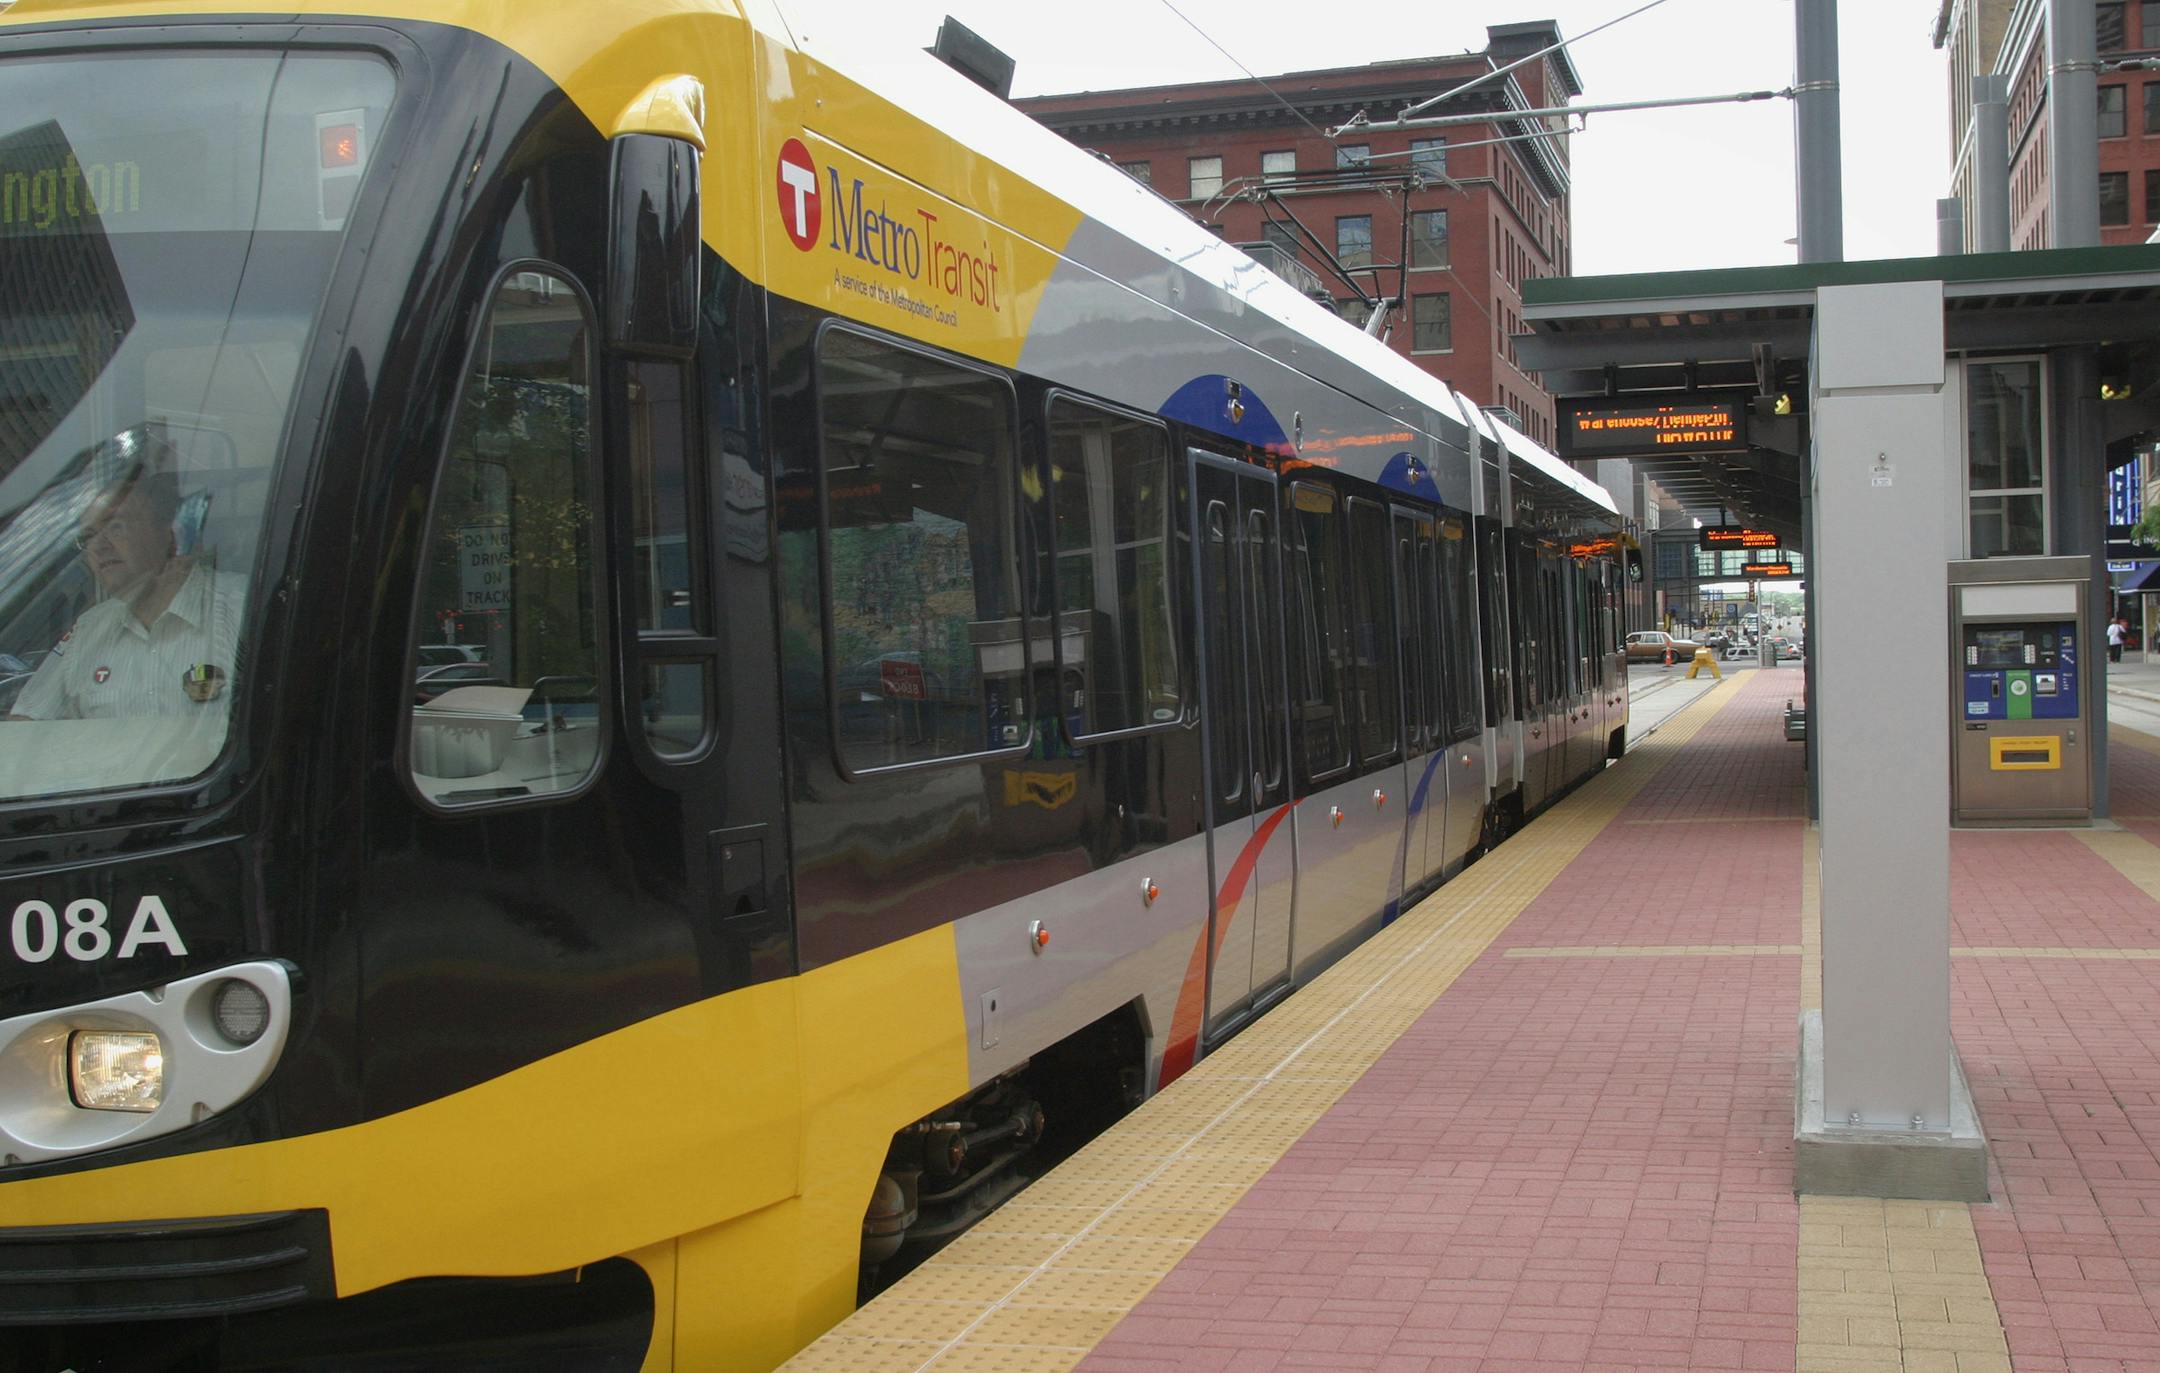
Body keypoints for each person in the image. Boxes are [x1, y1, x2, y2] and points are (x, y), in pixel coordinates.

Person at [9, 432, 245, 721]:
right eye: (89, 536)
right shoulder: (89, 632)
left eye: (117, 527)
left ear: (167, 535)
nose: (99, 545)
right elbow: (26, 724)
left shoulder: (241, 609)